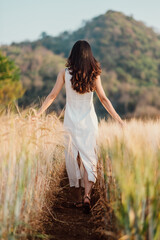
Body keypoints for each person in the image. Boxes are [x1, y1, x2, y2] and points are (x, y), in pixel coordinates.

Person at [32, 40, 125, 214]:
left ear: (73, 54)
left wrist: (37, 114)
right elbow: (104, 99)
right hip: (89, 123)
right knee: (89, 159)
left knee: (73, 159)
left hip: (70, 123)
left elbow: (52, 95)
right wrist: (118, 119)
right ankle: (87, 197)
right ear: (89, 55)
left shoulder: (65, 73)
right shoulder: (94, 74)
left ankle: (76, 200)